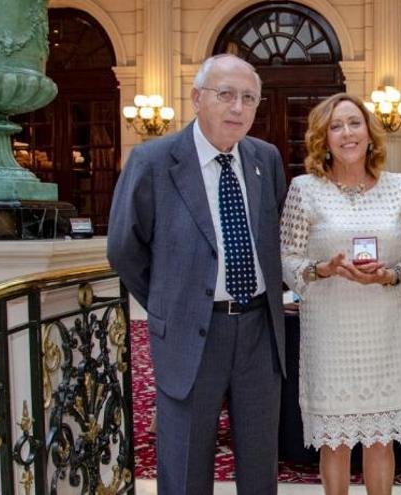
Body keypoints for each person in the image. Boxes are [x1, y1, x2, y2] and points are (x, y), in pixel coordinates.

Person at [107, 54, 286, 494]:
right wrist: (172, 303)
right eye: (225, 95)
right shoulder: (152, 161)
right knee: (184, 462)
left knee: (261, 460)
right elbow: (123, 248)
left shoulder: (266, 158)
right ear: (196, 99)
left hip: (260, 329)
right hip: (190, 334)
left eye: (249, 98)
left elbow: (275, 235)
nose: (238, 108)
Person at [280, 93, 401, 495]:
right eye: (335, 126)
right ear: (322, 138)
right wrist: (322, 270)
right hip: (330, 328)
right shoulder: (304, 189)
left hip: (384, 327)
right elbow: (287, 258)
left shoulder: (399, 187)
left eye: (354, 123)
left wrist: (389, 276)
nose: (346, 133)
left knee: (381, 438)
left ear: (370, 132)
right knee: (335, 440)